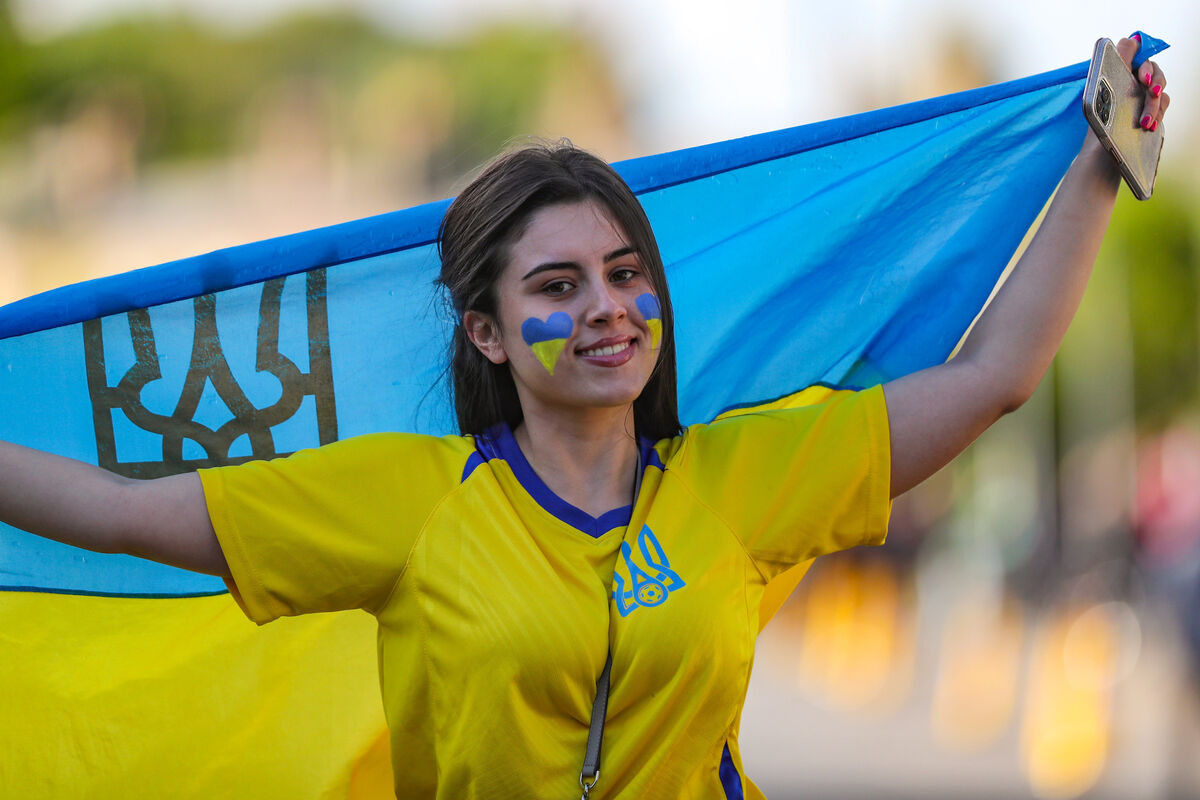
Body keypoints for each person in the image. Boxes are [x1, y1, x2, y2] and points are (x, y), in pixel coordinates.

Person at [0, 36, 1170, 800]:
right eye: (558, 287)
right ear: (489, 334)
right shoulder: (408, 501)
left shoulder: (740, 477)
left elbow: (995, 376)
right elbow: (114, 509)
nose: (607, 307)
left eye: (625, 272)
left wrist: (1100, 161)